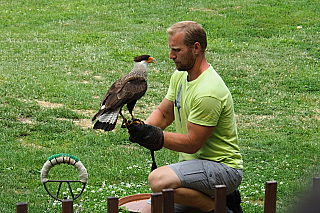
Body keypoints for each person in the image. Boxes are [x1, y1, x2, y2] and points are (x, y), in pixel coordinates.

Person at [127, 21, 243, 213]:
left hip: (223, 169)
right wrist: (143, 128)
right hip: (194, 168)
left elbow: (192, 143)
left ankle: (219, 208)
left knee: (159, 180)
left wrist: (156, 137)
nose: (171, 56)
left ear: (196, 48)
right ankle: (209, 201)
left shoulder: (208, 91)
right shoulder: (180, 76)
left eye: (177, 50)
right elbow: (164, 114)